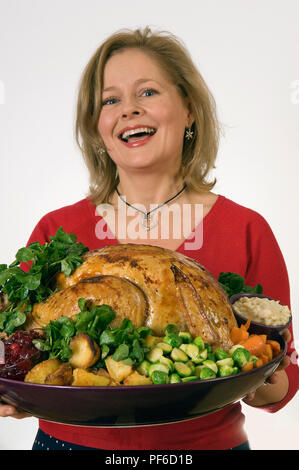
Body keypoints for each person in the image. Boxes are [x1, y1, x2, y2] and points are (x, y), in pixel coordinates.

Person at [0, 26, 298, 450]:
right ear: (97, 126)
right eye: (110, 100)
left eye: (148, 93)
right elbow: (13, 350)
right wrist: (17, 391)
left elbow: (282, 387)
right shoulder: (56, 238)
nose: (128, 110)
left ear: (189, 109)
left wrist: (252, 373)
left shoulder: (246, 229)